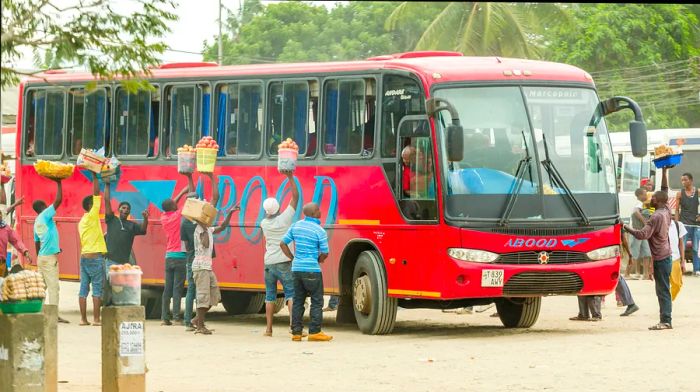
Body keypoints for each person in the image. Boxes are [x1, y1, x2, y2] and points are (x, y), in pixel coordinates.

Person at [190, 173, 237, 335]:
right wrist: (204, 227)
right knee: (203, 296)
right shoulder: (199, 229)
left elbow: (222, 226)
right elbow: (205, 244)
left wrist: (230, 213)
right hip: (200, 267)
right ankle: (200, 325)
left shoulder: (208, 228)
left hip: (207, 267)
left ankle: (197, 319)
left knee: (214, 296)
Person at [280, 202, 332, 342]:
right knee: (317, 301)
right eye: (318, 209)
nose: (320, 211)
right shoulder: (319, 230)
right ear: (314, 212)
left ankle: (296, 332)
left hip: (296, 269)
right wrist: (318, 260)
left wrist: (292, 257)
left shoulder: (296, 226)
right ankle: (315, 332)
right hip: (312, 270)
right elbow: (325, 252)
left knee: (298, 301)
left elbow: (282, 243)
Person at [625, 190, 673, 331]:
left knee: (662, 291)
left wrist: (625, 227)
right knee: (664, 289)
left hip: (660, 258)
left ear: (658, 200)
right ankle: (666, 319)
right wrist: (664, 171)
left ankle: (665, 321)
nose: (651, 199)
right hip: (666, 255)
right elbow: (664, 190)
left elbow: (642, 235)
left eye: (653, 197)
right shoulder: (667, 211)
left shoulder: (656, 216)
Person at [259, 170, 299, 337]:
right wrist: (290, 177)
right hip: (284, 261)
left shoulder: (263, 223)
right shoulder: (284, 219)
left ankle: (268, 329)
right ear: (278, 208)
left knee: (270, 296)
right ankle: (292, 325)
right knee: (290, 293)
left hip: (269, 263)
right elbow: (295, 197)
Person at [102, 178, 149, 306]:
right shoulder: (112, 220)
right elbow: (106, 200)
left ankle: (116, 306)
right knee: (109, 283)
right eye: (123, 207)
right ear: (119, 209)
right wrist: (107, 183)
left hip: (123, 263)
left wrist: (146, 219)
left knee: (120, 286)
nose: (125, 210)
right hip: (110, 261)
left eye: (128, 208)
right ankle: (107, 306)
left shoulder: (131, 226)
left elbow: (143, 230)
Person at [159, 172, 195, 326]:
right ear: (174, 208)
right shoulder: (178, 216)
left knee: (167, 288)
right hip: (180, 256)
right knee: (177, 288)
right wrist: (184, 191)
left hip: (169, 256)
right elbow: (190, 201)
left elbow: (170, 204)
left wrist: (180, 193)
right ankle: (176, 317)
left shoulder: (164, 217)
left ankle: (164, 317)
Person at [32, 177, 69, 323]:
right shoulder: (45, 215)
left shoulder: (37, 222)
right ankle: (54, 315)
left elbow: (37, 242)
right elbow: (58, 200)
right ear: (44, 207)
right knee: (54, 287)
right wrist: (59, 182)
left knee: (42, 286)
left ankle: (38, 312)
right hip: (48, 258)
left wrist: (41, 257)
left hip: (42, 257)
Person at [78, 173, 107, 326]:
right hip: (95, 258)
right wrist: (95, 175)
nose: (98, 205)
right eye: (94, 204)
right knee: (97, 289)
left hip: (84, 257)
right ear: (90, 206)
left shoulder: (82, 221)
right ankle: (96, 319)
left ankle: (83, 319)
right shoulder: (91, 216)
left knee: (83, 289)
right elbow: (96, 194)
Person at [0, 184, 28, 276]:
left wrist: (25, 251)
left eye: (0, 214)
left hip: (2, 265)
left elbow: (16, 241)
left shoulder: (5, 228)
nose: (1, 216)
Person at [675, 172, 699, 276]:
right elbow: (676, 210)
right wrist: (676, 223)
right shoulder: (680, 194)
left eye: (685, 180)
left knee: (696, 248)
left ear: (691, 180)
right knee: (681, 247)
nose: (683, 182)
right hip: (684, 224)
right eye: (682, 180)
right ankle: (680, 268)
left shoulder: (698, 192)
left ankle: (697, 269)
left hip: (696, 225)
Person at [627, 188, 652, 279]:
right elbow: (636, 212)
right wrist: (645, 222)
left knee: (647, 253)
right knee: (634, 254)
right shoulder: (638, 204)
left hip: (643, 233)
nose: (646, 196)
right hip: (636, 232)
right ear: (640, 195)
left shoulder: (644, 204)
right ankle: (627, 274)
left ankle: (645, 274)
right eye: (645, 194)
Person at [618, 233, 639, 317]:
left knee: (616, 278)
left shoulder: (615, 221)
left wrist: (630, 255)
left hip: (610, 251)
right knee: (616, 277)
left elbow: (623, 238)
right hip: (609, 250)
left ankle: (630, 304)